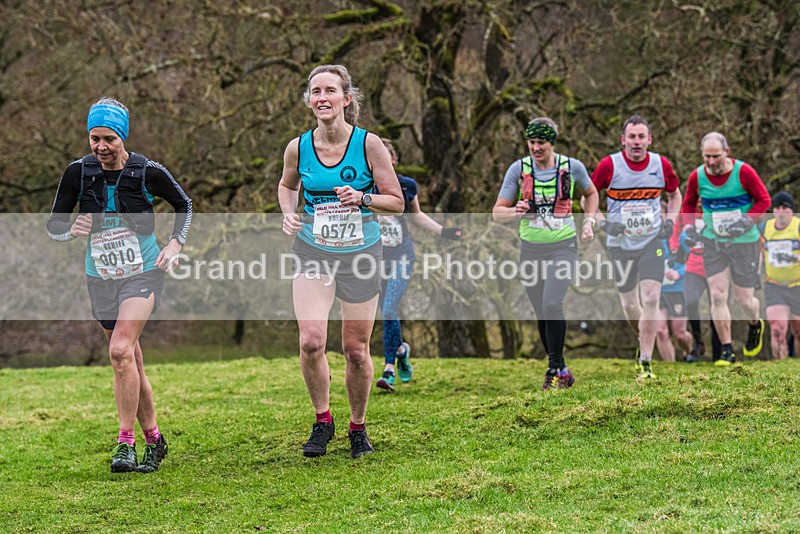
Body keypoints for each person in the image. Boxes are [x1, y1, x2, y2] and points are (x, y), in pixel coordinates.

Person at [47, 97, 192, 473]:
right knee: (131, 362)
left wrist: (175, 244)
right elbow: (54, 225)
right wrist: (71, 229)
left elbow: (185, 205)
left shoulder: (147, 171)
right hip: (101, 278)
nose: (101, 147)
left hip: (142, 272)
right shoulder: (78, 172)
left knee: (119, 350)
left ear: (122, 137)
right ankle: (155, 440)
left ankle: (124, 443)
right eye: (94, 138)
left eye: (109, 138)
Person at [278, 65, 404, 458]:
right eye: (315, 92)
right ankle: (322, 421)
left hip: (361, 255)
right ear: (309, 101)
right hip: (313, 250)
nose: (322, 98)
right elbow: (287, 185)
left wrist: (363, 199)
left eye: (330, 90)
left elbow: (396, 203)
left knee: (355, 350)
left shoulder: (369, 145)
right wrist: (287, 212)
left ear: (346, 99)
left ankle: (358, 427)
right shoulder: (298, 147)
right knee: (311, 341)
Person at [493, 117, 599, 390]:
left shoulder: (571, 167)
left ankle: (552, 369)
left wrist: (589, 221)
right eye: (531, 142)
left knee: (553, 304)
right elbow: (497, 213)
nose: (536, 147)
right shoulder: (519, 169)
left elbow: (591, 193)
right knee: (542, 311)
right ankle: (562, 369)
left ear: (551, 142)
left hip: (563, 245)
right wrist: (513, 211)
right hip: (530, 249)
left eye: (541, 142)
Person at [591, 115, 682, 378]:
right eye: (632, 137)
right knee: (631, 306)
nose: (637, 142)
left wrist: (670, 222)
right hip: (620, 243)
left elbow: (674, 195)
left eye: (642, 137)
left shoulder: (660, 164)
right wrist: (603, 223)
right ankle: (643, 339)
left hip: (651, 240)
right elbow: (590, 197)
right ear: (623, 140)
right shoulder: (609, 165)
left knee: (652, 297)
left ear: (649, 140)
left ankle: (645, 361)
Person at [374, 138, 462, 392]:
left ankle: (389, 369)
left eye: (386, 156)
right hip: (372, 260)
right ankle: (401, 350)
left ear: (394, 159)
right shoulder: (364, 185)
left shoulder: (406, 185)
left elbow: (417, 215)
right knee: (384, 312)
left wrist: (444, 231)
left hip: (403, 255)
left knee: (391, 307)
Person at [680, 131, 770, 366]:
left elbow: (764, 200)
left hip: (744, 243)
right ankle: (727, 351)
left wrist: (747, 220)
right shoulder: (697, 177)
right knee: (718, 295)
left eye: (716, 156)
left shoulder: (744, 172)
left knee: (745, 300)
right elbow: (688, 204)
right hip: (714, 242)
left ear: (727, 152)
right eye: (706, 156)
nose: (711, 162)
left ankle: (754, 324)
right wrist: (689, 228)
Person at [674, 207, 722, 363]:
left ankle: (718, 351)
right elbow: (676, 228)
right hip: (694, 267)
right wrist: (674, 246)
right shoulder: (687, 211)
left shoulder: (716, 208)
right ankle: (698, 342)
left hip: (716, 267)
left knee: (717, 308)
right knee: (690, 301)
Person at [761, 191, 800, 360]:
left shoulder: (798, 226)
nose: (781, 211)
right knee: (777, 330)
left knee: (798, 331)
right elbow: (756, 251)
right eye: (777, 207)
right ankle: (780, 368)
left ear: (791, 210)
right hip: (774, 285)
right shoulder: (765, 228)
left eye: (785, 208)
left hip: (797, 285)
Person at [655, 238, 693, 362]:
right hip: (657, 291)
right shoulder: (652, 236)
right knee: (660, 331)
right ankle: (670, 366)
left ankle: (689, 352)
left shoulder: (680, 236)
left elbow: (696, 258)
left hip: (678, 291)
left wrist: (679, 273)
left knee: (680, 334)